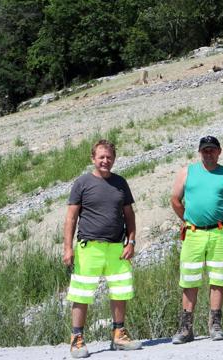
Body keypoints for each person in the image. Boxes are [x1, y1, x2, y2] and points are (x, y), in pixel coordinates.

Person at [63, 139, 142, 358]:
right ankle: (77, 339)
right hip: (89, 247)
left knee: (120, 291)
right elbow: (70, 218)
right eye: (101, 157)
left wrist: (132, 241)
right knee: (82, 293)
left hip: (117, 247)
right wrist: (67, 248)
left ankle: (119, 334)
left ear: (114, 159)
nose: (105, 161)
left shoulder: (120, 183)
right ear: (93, 159)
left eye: (109, 157)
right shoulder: (82, 183)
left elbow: (130, 215)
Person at [169, 135, 223, 344]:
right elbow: (175, 199)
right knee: (189, 279)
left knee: (218, 278)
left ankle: (215, 324)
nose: (208, 153)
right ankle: (185, 328)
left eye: (212, 150)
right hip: (193, 233)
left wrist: (222, 219)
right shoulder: (187, 172)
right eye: (205, 150)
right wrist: (187, 219)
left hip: (218, 233)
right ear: (200, 152)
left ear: (219, 151)